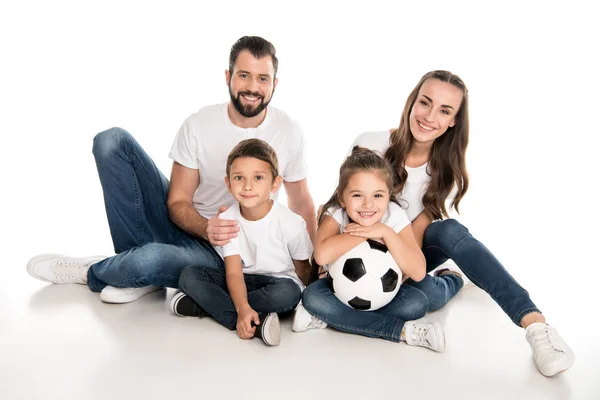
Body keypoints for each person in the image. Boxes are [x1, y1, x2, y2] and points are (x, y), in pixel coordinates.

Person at [316, 70, 572, 376]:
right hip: (354, 245)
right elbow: (339, 202)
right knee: (426, 300)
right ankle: (446, 283)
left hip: (407, 249)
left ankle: (535, 325)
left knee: (448, 236)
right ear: (412, 103)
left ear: (453, 121)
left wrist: (393, 255)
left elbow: (416, 242)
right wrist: (324, 261)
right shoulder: (370, 144)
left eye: (445, 111)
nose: (429, 116)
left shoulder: (445, 173)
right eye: (425, 103)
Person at [26, 36, 317, 304]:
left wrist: (315, 263)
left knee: (148, 261)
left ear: (275, 84)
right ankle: (132, 266)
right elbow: (178, 201)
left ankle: (102, 270)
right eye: (244, 75)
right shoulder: (199, 124)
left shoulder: (288, 131)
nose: (253, 87)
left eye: (262, 78)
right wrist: (206, 228)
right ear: (228, 77)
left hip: (223, 252)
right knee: (110, 141)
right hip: (188, 224)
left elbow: (301, 202)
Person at [294, 146, 462, 352]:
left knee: (416, 304)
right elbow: (321, 255)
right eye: (357, 195)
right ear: (341, 197)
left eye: (377, 196)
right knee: (312, 297)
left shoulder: (394, 216)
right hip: (337, 292)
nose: (367, 205)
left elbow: (418, 271)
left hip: (385, 296)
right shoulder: (335, 212)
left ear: (388, 195)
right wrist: (365, 231)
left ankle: (332, 319)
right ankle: (401, 331)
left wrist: (384, 231)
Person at [170, 139, 312, 346]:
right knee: (189, 276)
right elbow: (234, 273)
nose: (247, 186)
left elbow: (303, 271)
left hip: (278, 284)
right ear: (228, 183)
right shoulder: (228, 220)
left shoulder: (291, 223)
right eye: (239, 178)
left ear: (275, 183)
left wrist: (312, 300)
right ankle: (252, 321)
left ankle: (209, 306)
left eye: (258, 177)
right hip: (242, 280)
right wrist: (242, 307)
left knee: (288, 293)